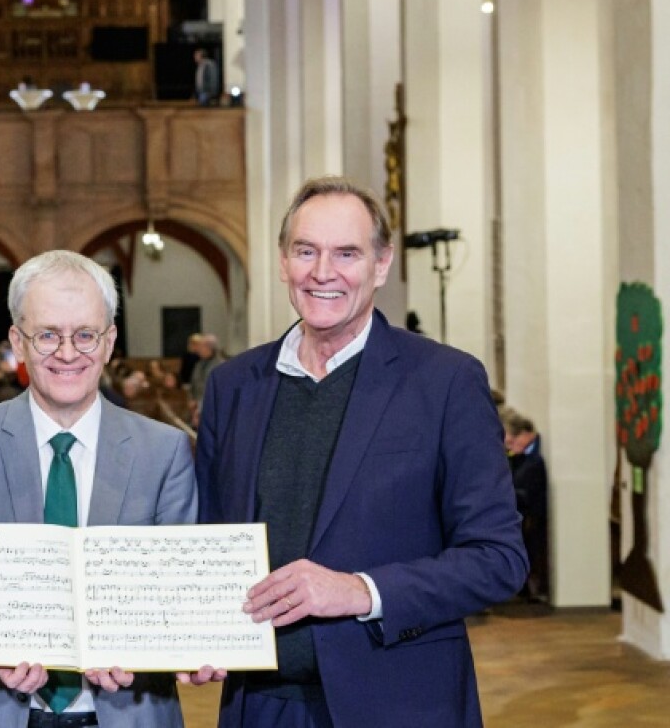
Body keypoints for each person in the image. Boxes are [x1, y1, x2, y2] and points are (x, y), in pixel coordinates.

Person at [184, 177, 527, 727]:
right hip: (260, 706)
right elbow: (209, 540)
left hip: (400, 702)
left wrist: (359, 591)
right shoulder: (234, 385)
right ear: (282, 261)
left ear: (381, 264)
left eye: (347, 253)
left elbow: (498, 559)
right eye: (306, 251)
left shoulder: (444, 381)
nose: (323, 272)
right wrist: (196, 633)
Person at [0, 250, 197, 728]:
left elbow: (179, 602)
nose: (68, 353)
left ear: (110, 341)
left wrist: (151, 652)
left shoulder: (165, 452)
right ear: (18, 341)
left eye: (85, 335)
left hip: (128, 712)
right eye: (47, 334)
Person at [500, 407, 550, 602]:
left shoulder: (534, 461)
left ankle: (528, 588)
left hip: (530, 518)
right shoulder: (519, 458)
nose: (510, 447)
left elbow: (527, 493)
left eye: (513, 441)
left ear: (526, 435)